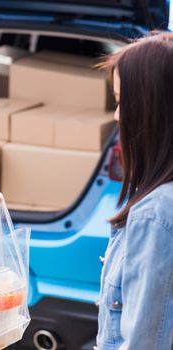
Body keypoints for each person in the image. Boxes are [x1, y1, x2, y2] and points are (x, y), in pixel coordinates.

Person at [96, 31, 173, 349]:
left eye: (121, 101)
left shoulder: (155, 214)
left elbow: (143, 343)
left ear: (151, 110)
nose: (116, 115)